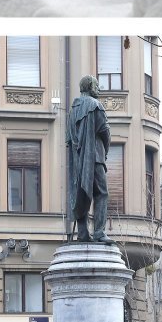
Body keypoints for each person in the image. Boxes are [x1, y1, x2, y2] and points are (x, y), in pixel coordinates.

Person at [65, 75, 113, 243]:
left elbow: (69, 139)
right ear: (91, 87)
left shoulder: (73, 109)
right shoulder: (95, 105)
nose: (98, 89)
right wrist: (105, 150)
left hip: (78, 160)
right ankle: (99, 232)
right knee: (101, 193)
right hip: (95, 156)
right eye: (97, 86)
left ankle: (83, 233)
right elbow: (105, 132)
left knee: (81, 193)